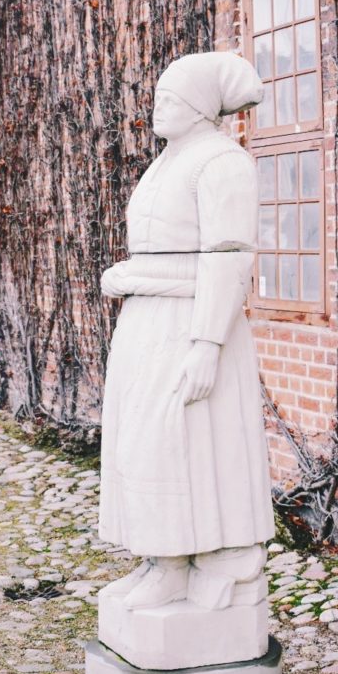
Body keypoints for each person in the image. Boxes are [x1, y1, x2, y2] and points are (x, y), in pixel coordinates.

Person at [98, 51, 275, 611]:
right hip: (147, 322)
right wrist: (130, 274)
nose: (158, 108)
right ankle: (158, 556)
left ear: (200, 109)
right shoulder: (167, 162)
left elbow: (227, 257)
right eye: (158, 97)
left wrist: (207, 344)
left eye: (171, 99)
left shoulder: (222, 162)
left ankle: (187, 561)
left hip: (188, 323)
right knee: (139, 442)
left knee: (176, 444)